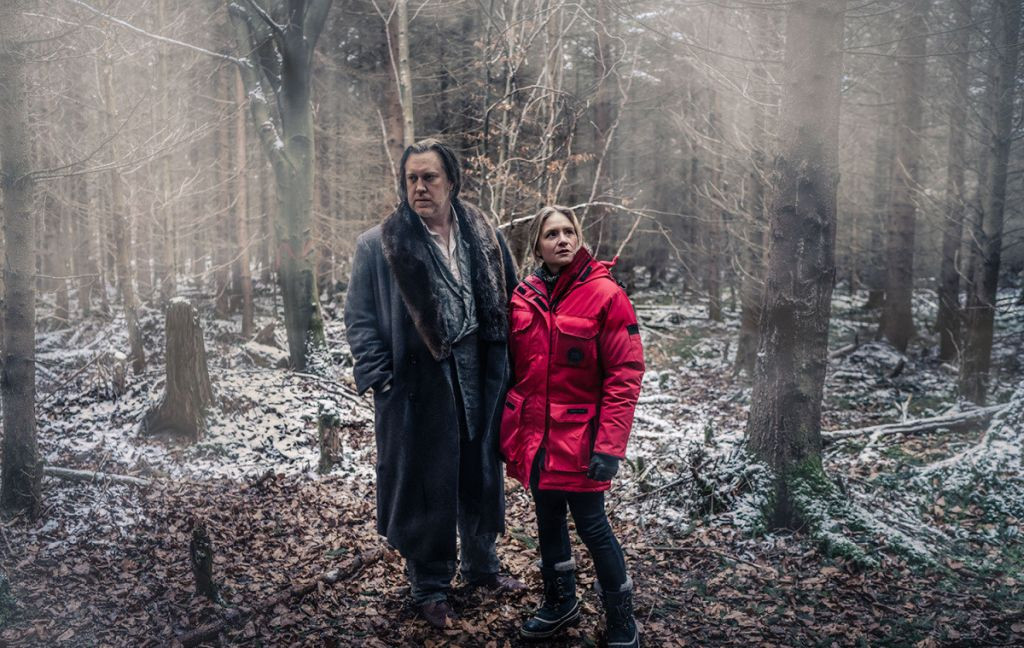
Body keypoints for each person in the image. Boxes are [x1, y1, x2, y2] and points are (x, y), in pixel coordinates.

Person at [344, 138, 524, 628]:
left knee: (479, 469)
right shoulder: (379, 244)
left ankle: (482, 568)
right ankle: (430, 587)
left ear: (452, 181)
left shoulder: (485, 234)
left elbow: (514, 298)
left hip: (479, 370)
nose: (420, 187)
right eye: (412, 179)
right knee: (426, 481)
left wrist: (515, 367)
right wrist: (382, 379)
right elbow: (359, 318)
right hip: (415, 384)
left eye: (430, 177)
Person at [500, 205, 644, 647]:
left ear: (579, 238)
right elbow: (512, 370)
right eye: (551, 234)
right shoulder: (522, 296)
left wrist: (610, 447)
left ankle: (621, 619)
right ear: (537, 245)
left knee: (593, 526)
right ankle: (560, 602)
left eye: (569, 231)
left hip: (582, 441)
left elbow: (625, 374)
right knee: (547, 520)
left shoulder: (606, 294)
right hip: (535, 438)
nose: (562, 239)